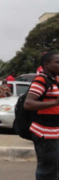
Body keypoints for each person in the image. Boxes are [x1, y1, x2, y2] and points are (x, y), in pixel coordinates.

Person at [24, 52, 59, 180]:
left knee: (54, 167)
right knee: (46, 169)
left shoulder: (55, 80)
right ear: (46, 64)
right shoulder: (41, 80)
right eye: (57, 62)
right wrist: (54, 102)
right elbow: (28, 103)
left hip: (54, 131)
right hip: (44, 133)